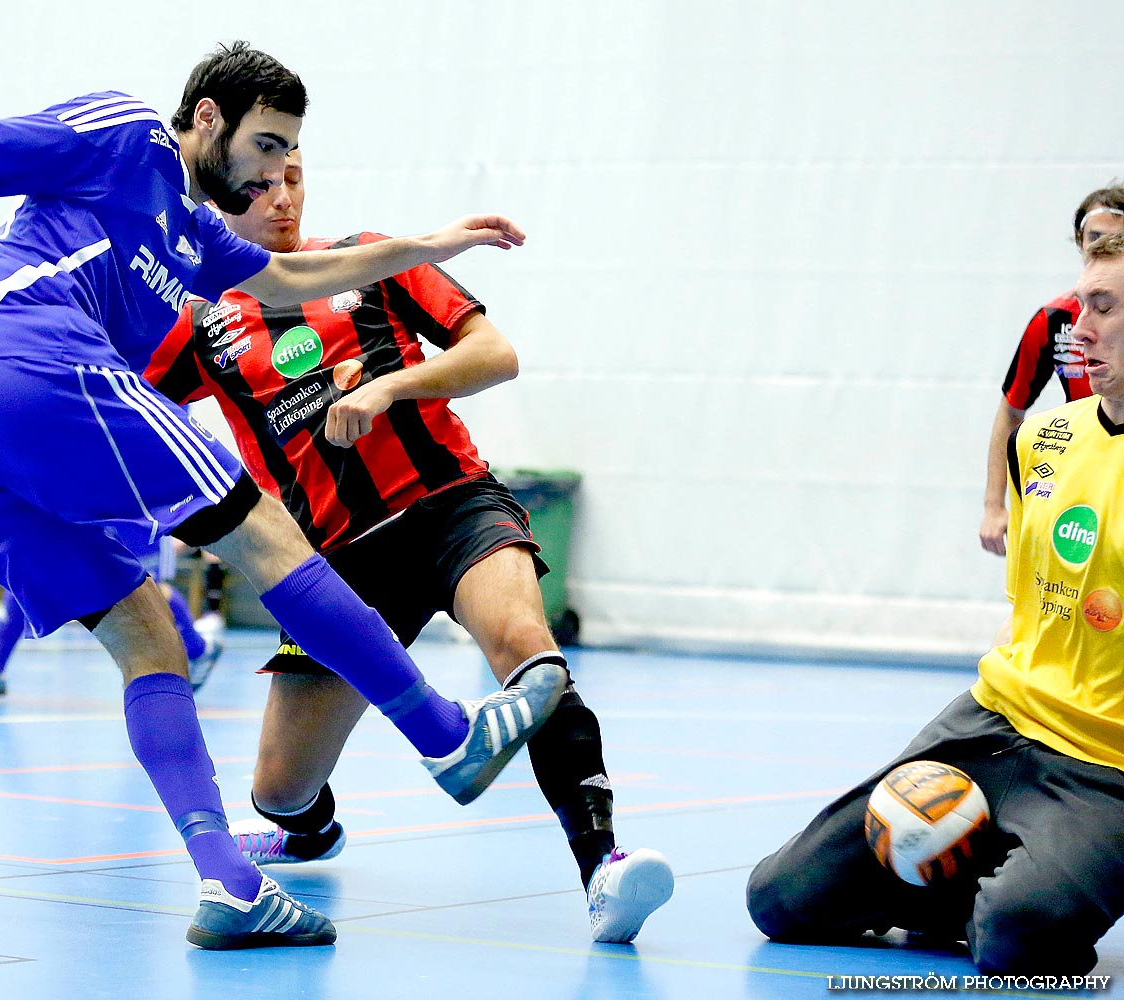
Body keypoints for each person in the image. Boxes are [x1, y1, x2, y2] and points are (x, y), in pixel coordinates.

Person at [0, 42, 565, 950]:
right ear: (206, 121)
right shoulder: (125, 136)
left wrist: (431, 244)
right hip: (30, 359)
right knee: (267, 532)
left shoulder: (190, 237)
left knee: (143, 633)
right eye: (265, 145)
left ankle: (230, 886)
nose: (277, 172)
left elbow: (291, 277)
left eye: (287, 154)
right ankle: (442, 735)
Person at [144, 149, 674, 944]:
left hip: (449, 505)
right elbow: (123, 391)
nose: (280, 197)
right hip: (335, 568)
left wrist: (390, 385)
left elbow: (494, 354)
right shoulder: (202, 321)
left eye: (291, 178)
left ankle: (602, 867)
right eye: (257, 187)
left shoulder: (373, 260)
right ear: (217, 202)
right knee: (279, 790)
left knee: (526, 648)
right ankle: (309, 830)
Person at [747, 233, 1124, 975]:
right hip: (991, 722)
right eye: (1081, 303)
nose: (1077, 328)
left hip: (1105, 765)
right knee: (779, 901)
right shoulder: (1045, 437)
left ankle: (1014, 886)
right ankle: (989, 872)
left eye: (1103, 307)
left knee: (1020, 944)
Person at [978, 186, 1124, 555]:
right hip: (1083, 475)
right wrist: (994, 505)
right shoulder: (1055, 320)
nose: (1083, 332)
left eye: (1115, 239)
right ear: (1079, 243)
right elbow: (1011, 410)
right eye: (1094, 239)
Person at [0, 536, 224, 697]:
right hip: (71, 496)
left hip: (125, 500)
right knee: (27, 570)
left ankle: (197, 650)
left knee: (146, 586)